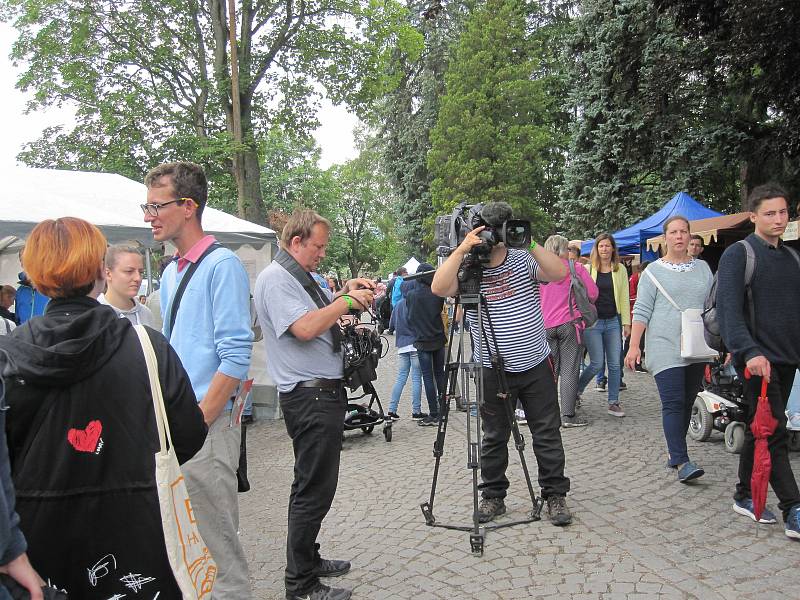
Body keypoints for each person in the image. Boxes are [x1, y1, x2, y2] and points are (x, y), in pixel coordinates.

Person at [0, 217, 207, 597]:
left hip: (36, 546)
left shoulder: (9, 357)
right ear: (100, 270)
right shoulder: (147, 346)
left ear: (35, 273)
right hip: (136, 528)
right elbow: (189, 433)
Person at [143, 161, 254, 597]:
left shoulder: (221, 264)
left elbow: (236, 356)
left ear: (187, 206)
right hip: (179, 426)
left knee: (220, 550)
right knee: (187, 546)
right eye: (147, 206)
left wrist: (198, 420)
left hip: (204, 426)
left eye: (157, 206)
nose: (149, 216)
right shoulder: (171, 272)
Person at [254, 208, 374, 600]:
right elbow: (305, 328)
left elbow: (315, 315)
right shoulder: (275, 279)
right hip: (310, 395)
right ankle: (300, 585)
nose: (322, 254)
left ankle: (308, 559)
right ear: (295, 242)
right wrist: (347, 304)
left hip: (320, 392)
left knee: (314, 486)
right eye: (318, 247)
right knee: (312, 490)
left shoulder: (297, 276)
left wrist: (342, 294)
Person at [431, 202, 573, 526]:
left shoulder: (523, 258)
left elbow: (560, 272)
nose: (493, 240)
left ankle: (554, 495)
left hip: (535, 364)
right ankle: (493, 496)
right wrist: (463, 248)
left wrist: (529, 241)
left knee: (546, 432)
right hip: (491, 369)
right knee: (494, 435)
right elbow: (439, 287)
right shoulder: (468, 267)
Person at [717, 182, 800, 538]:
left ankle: (742, 495)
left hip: (788, 359)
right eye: (770, 213)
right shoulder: (739, 254)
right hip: (757, 363)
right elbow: (728, 312)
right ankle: (793, 508)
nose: (779, 219)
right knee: (775, 432)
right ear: (753, 216)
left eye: (783, 212)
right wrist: (749, 352)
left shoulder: (793, 256)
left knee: (759, 428)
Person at [624, 216, 713, 482]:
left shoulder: (704, 268)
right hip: (664, 345)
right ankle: (681, 460)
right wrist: (634, 346)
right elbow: (641, 310)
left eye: (683, 232)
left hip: (696, 343)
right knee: (673, 402)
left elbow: (712, 307)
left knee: (687, 401)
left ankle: (676, 451)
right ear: (665, 238)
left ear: (690, 237)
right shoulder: (652, 272)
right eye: (673, 232)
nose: (679, 236)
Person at [540, 235, 598, 427]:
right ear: (565, 249)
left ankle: (547, 416)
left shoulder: (541, 270)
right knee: (570, 371)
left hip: (545, 327)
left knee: (549, 373)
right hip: (570, 325)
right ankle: (568, 416)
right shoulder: (575, 268)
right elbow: (592, 294)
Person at [577, 233, 630, 417]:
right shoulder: (588, 269)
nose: (605, 249)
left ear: (613, 249)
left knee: (615, 364)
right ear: (596, 249)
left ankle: (613, 402)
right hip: (593, 323)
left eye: (608, 246)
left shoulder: (620, 269)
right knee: (597, 363)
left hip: (613, 321)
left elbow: (624, 297)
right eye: (601, 246)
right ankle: (576, 391)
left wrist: (626, 323)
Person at [404, 264, 445, 427]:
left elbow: (409, 317)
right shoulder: (437, 293)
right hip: (438, 338)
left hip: (421, 340)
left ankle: (434, 413)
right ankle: (443, 410)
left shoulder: (411, 295)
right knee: (440, 375)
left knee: (428, 378)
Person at [98, 245, 156, 326]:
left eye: (141, 272)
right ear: (108, 274)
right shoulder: (93, 315)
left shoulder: (146, 314)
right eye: (129, 271)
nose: (138, 278)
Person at [386, 295, 425, 421]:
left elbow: (391, 324)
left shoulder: (398, 304)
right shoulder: (415, 302)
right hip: (415, 344)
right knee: (416, 378)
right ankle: (416, 411)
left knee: (401, 378)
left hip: (402, 345)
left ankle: (392, 410)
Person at [15, 249, 48, 324]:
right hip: (24, 335)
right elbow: (17, 320)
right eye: (22, 260)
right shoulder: (20, 291)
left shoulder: (53, 288)